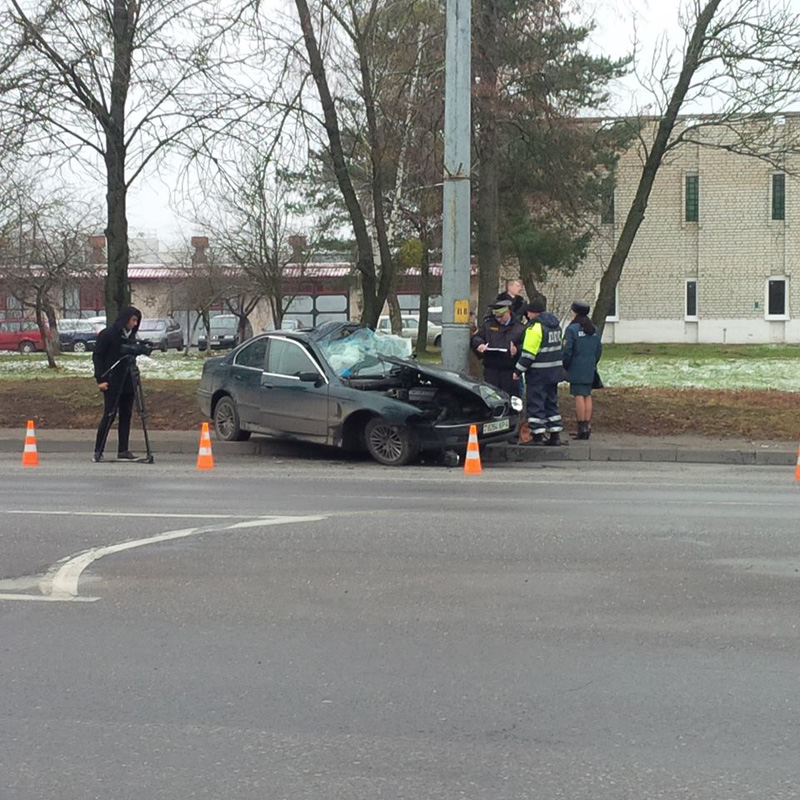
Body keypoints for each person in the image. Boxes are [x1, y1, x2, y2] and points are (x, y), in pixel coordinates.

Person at [92, 306, 143, 462]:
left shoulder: (132, 335)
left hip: (128, 381)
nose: (134, 324)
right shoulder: (108, 334)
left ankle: (123, 449)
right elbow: (98, 356)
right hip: (112, 381)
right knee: (109, 414)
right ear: (125, 319)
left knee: (126, 415)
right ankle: (98, 450)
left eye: (137, 321)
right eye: (133, 320)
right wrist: (100, 379)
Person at [514, 297, 564, 446]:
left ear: (532, 312)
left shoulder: (534, 328)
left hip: (538, 374)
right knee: (551, 403)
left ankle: (537, 436)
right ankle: (555, 435)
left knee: (536, 404)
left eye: (528, 313)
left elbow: (528, 354)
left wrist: (518, 371)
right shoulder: (555, 326)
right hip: (554, 373)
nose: (527, 316)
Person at [562, 300, 602, 440]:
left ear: (575, 312)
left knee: (579, 395)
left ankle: (581, 428)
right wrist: (592, 362)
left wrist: (565, 365)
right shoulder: (594, 329)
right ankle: (587, 426)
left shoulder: (572, 329)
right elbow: (598, 350)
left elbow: (567, 350)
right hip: (589, 366)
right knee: (587, 395)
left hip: (576, 366)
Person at [471, 300, 521, 396]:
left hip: (509, 372)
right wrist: (479, 345)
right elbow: (476, 337)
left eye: (501, 316)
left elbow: (526, 347)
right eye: (496, 317)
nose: (498, 319)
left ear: (508, 312)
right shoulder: (488, 325)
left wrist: (517, 350)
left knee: (510, 399)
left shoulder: (519, 328)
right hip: (491, 371)